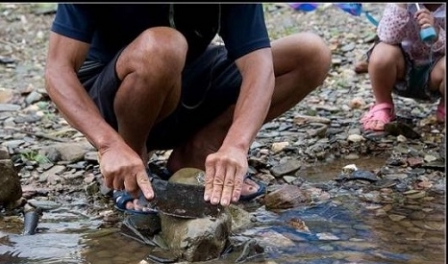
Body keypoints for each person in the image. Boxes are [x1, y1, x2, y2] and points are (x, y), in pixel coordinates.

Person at [45, 4, 331, 212]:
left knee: (309, 53)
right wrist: (108, 144)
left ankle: (201, 151)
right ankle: (132, 165)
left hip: (187, 79)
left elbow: (259, 67)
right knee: (164, 45)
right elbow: (57, 71)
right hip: (113, 96)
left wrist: (237, 144)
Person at [360, 3, 446, 132]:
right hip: (401, 69)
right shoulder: (403, 6)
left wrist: (437, 32)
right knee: (382, 52)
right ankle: (383, 104)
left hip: (436, 73)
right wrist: (400, 6)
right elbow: (387, 37)